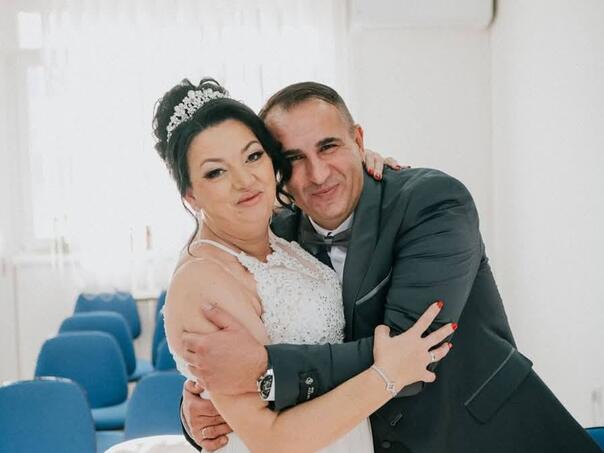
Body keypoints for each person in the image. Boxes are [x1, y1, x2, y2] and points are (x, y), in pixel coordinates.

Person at [181, 81, 601, 453]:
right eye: (293, 158)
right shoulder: (276, 234)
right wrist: (205, 407)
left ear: (358, 140)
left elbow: (413, 353)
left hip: (483, 435)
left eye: (329, 146)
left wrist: (264, 370)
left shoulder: (433, 202)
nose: (318, 174)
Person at [154, 78, 455, 453]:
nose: (244, 180)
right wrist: (388, 373)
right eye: (216, 172)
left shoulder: (280, 230)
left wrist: (358, 162)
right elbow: (268, 438)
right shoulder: (203, 279)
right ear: (190, 194)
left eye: (252, 156)